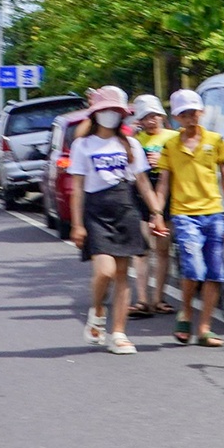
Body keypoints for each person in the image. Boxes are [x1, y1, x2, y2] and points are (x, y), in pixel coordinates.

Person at [69, 86, 166, 355]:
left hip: (125, 209)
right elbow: (77, 187)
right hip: (95, 211)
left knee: (123, 274)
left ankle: (119, 334)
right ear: (95, 113)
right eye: (105, 109)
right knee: (105, 271)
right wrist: (77, 225)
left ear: (122, 114)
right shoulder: (82, 145)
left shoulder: (131, 144)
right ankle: (98, 309)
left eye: (115, 110)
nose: (110, 114)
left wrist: (156, 214)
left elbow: (143, 182)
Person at [155, 89, 224, 347]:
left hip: (214, 213)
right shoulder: (170, 146)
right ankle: (187, 312)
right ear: (177, 117)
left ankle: (204, 328)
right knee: (193, 268)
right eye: (184, 114)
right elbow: (163, 183)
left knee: (215, 272)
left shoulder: (216, 140)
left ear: (201, 112)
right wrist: (157, 214)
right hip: (184, 215)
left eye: (194, 112)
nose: (190, 117)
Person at [128, 94, 176, 318]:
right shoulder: (134, 141)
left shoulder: (174, 137)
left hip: (168, 193)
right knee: (142, 250)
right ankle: (142, 299)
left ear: (162, 116)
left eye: (154, 116)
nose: (150, 121)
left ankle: (159, 298)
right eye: (145, 117)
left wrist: (165, 162)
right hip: (140, 194)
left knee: (163, 249)